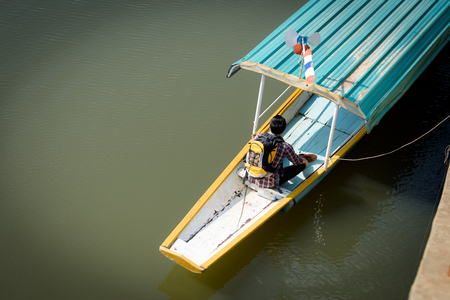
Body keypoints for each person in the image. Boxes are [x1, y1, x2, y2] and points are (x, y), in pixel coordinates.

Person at [247, 115, 317, 189]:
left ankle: (295, 156)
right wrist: (302, 160)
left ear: (269, 127)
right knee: (303, 163)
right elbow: (297, 163)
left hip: (251, 176)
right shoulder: (285, 147)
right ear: (283, 130)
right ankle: (303, 157)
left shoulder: (258, 137)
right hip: (271, 183)